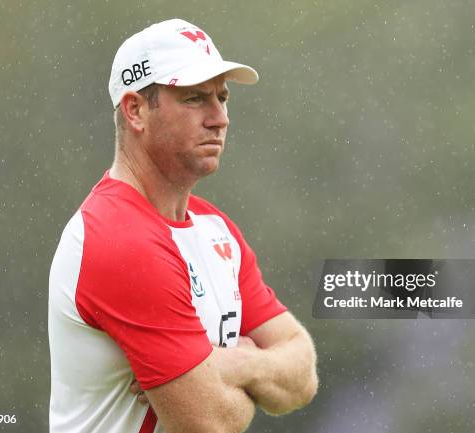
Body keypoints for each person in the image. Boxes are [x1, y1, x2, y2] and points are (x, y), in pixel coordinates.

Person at [48, 18, 318, 433]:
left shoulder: (215, 228)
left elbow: (301, 375)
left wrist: (235, 363)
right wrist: (246, 381)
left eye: (222, 97)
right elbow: (209, 422)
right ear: (135, 110)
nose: (219, 118)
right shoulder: (119, 236)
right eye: (194, 99)